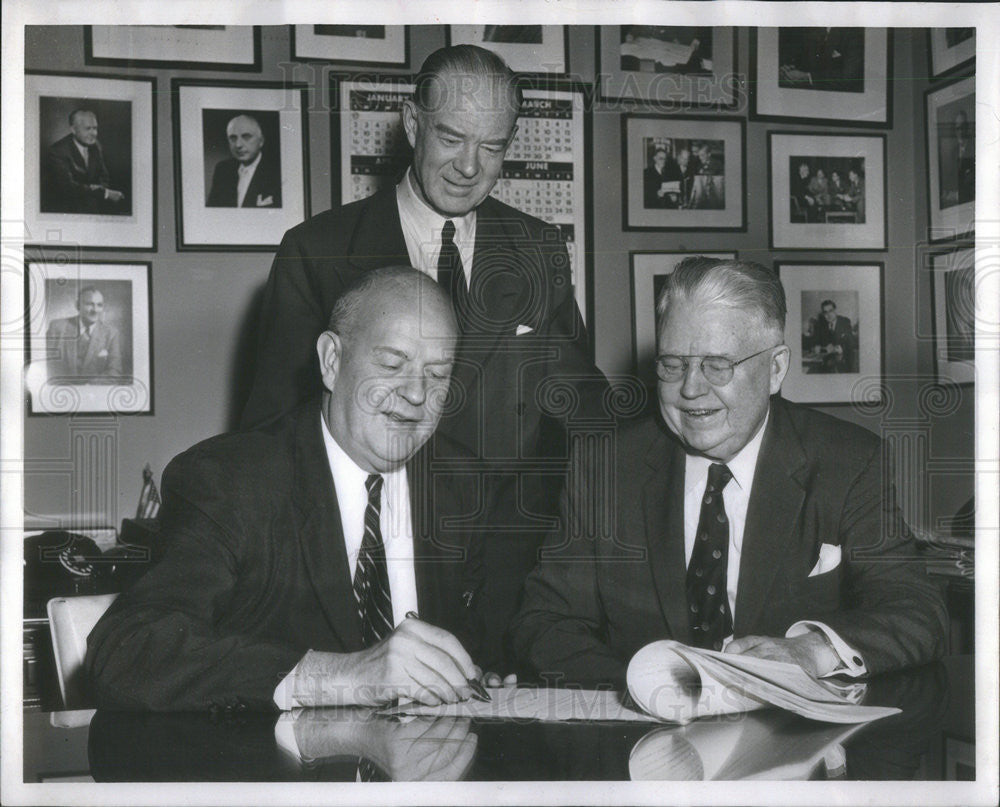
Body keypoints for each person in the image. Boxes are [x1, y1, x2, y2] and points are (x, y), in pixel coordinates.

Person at [240, 45, 609, 670]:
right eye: (451, 137)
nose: (469, 166)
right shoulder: (318, 250)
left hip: (505, 597)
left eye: (492, 147)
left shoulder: (539, 247)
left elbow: (582, 406)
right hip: (367, 582)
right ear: (413, 125)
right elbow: (269, 436)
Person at [85, 267, 510, 711]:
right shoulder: (231, 480)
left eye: (438, 375)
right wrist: (339, 677)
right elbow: (125, 649)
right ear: (331, 361)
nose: (418, 394)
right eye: (391, 365)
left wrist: (485, 674)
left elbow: (487, 644)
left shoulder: (464, 486)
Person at [511, 257, 947, 688]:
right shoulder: (604, 465)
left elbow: (916, 612)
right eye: (673, 364)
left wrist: (810, 651)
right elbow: (546, 622)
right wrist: (660, 690)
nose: (690, 389)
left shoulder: (848, 461)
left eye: (717, 365)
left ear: (775, 368)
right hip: (646, 730)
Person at [42, 109, 126, 214]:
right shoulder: (57, 151)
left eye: (95, 128)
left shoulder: (95, 146)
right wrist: (104, 193)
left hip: (92, 207)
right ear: (73, 129)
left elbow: (104, 177)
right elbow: (68, 188)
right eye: (88, 129)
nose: (93, 133)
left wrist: (96, 189)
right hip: (66, 212)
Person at [45, 286, 123, 381]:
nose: (95, 310)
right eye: (89, 304)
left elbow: (114, 373)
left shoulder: (111, 333)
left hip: (93, 393)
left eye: (99, 305)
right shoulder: (57, 328)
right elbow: (44, 366)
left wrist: (87, 389)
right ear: (78, 305)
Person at [206, 113, 282, 208]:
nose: (238, 145)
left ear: (261, 141)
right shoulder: (223, 169)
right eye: (233, 138)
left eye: (246, 137)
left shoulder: (278, 171)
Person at [810, 298, 856, 373]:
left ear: (835, 311)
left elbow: (851, 342)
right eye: (825, 312)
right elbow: (814, 341)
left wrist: (840, 348)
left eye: (830, 311)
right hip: (826, 363)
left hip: (843, 362)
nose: (828, 315)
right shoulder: (821, 324)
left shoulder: (844, 322)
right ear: (823, 314)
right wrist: (816, 346)